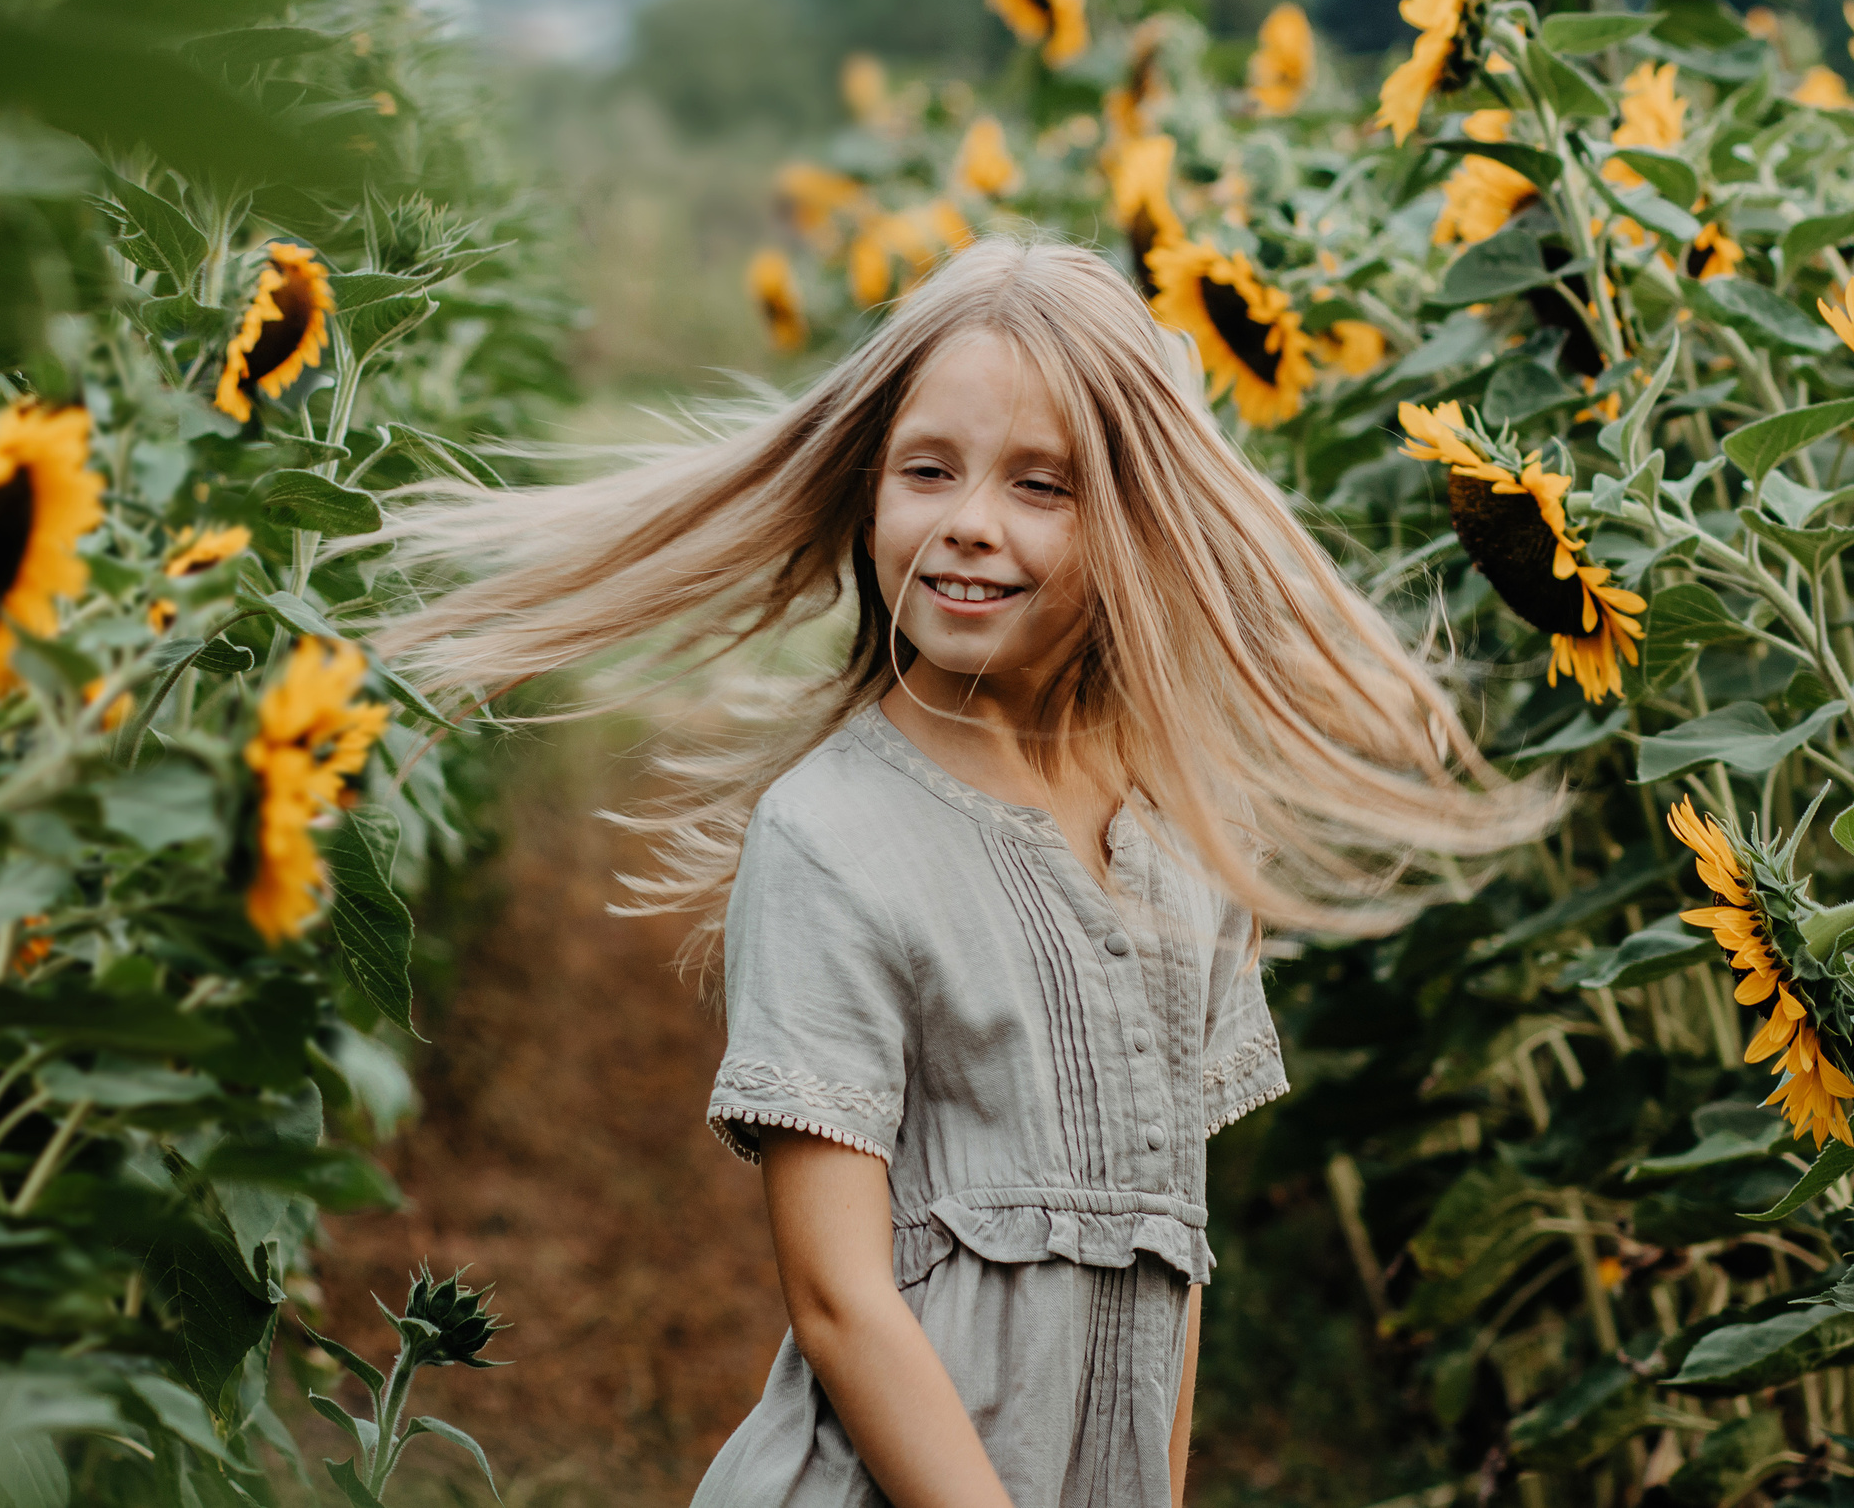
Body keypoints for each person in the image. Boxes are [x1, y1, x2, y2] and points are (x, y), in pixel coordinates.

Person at [373, 237, 1558, 1508]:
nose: (968, 526)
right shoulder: (832, 834)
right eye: (927, 471)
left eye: (1042, 485)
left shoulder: (1185, 843)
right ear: (868, 491)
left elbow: (1173, 1252)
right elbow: (839, 1303)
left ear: (1136, 521)